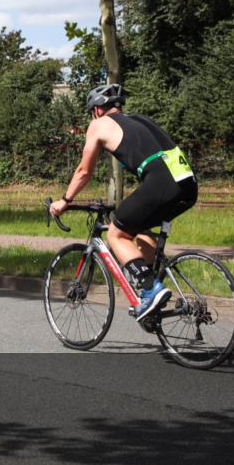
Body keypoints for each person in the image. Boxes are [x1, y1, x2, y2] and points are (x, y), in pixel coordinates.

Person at [50, 84, 198, 321]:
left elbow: (84, 171)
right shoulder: (139, 120)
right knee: (139, 229)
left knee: (116, 234)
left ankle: (151, 289)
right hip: (187, 183)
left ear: (96, 110)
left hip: (161, 181)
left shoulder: (99, 124)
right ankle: (151, 289)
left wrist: (65, 200)